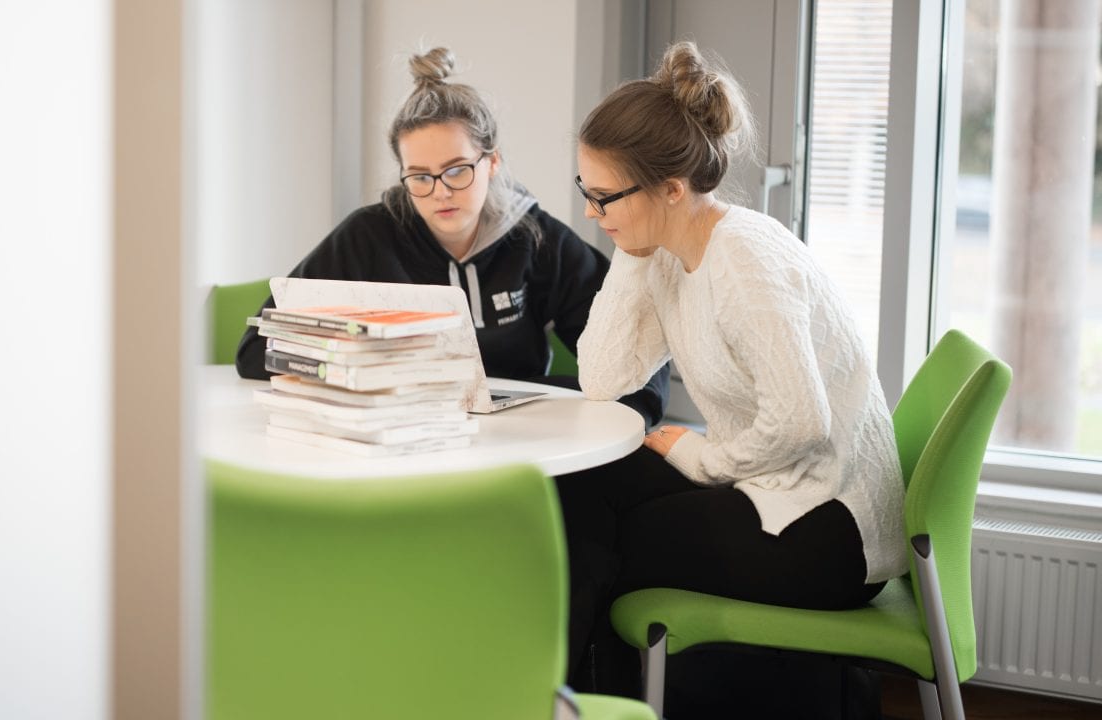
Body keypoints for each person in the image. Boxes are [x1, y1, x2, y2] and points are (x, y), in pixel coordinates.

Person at [559, 40, 907, 705]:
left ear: (671, 188)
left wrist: (697, 457)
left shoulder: (744, 261)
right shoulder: (666, 249)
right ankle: (587, 702)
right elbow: (602, 380)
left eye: (604, 196)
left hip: (830, 527)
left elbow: (803, 422)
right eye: (588, 192)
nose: (588, 212)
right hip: (774, 488)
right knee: (585, 489)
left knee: (600, 542)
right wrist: (630, 244)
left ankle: (577, 700)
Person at [236, 47, 668, 428]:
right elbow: (258, 352)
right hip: (402, 438)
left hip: (520, 445)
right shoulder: (368, 234)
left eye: (457, 169)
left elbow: (636, 353)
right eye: (420, 177)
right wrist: (370, 368)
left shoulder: (534, 238)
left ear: (492, 161)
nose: (440, 191)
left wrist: (604, 414)